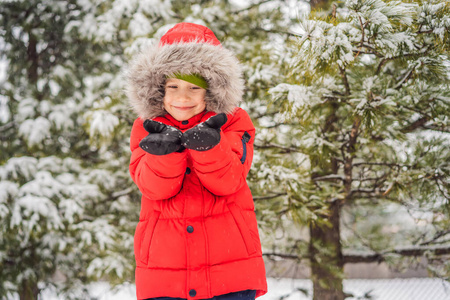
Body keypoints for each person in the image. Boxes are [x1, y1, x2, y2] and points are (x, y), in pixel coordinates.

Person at [126, 22, 267, 300]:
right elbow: (154, 189)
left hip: (229, 273)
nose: (182, 97)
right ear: (158, 90)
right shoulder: (146, 127)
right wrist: (165, 155)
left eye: (194, 88)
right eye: (173, 86)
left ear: (211, 90)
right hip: (166, 272)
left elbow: (229, 181)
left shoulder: (234, 122)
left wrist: (209, 148)